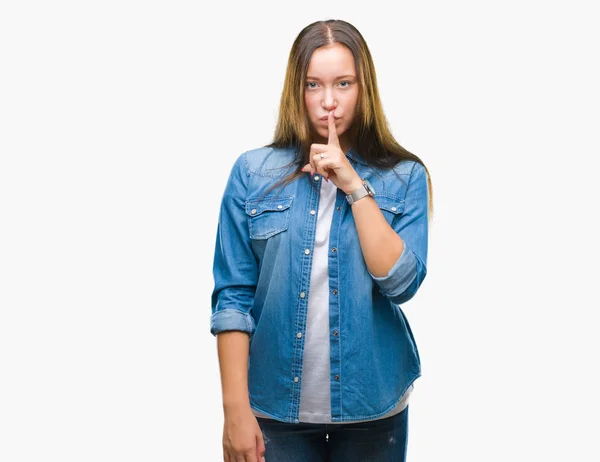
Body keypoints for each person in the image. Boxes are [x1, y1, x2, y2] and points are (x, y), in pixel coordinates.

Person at [210, 18, 433, 462]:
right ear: (297, 90)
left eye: (343, 83)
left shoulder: (403, 176)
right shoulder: (253, 173)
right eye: (314, 85)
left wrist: (353, 184)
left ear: (363, 87)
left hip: (374, 407)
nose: (328, 101)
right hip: (274, 410)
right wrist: (234, 411)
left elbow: (401, 283)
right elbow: (232, 296)